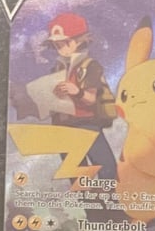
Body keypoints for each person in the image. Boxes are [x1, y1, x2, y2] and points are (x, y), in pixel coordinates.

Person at [45, 11, 117, 183]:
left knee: (107, 169)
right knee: (76, 176)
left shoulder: (90, 66)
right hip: (64, 128)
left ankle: (106, 200)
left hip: (87, 125)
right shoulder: (57, 69)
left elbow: (91, 99)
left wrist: (76, 91)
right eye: (57, 45)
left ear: (79, 40)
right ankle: (87, 201)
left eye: (66, 42)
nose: (61, 48)